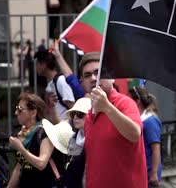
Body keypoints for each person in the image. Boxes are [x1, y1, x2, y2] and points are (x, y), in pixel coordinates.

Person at [79, 52, 147, 188]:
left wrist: (107, 107)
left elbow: (135, 134)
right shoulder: (88, 115)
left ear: (112, 77)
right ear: (82, 82)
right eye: (87, 75)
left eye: (98, 73)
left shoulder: (125, 103)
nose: (93, 78)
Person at [7, 93, 69, 188]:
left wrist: (21, 148)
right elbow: (19, 167)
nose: (16, 113)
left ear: (33, 113)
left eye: (20, 109)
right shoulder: (23, 134)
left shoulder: (45, 132)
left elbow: (41, 163)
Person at [129, 86, 162, 187]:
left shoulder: (150, 121)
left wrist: (154, 173)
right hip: (141, 170)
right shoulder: (140, 120)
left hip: (149, 172)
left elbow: (156, 149)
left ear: (137, 101)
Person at [34, 50, 75, 120]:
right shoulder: (49, 85)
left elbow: (73, 107)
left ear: (44, 64)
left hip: (66, 129)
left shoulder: (61, 81)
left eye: (37, 64)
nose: (36, 68)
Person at [64, 97, 91, 188]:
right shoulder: (72, 139)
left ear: (90, 115)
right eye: (73, 114)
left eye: (80, 114)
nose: (75, 117)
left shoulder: (96, 141)